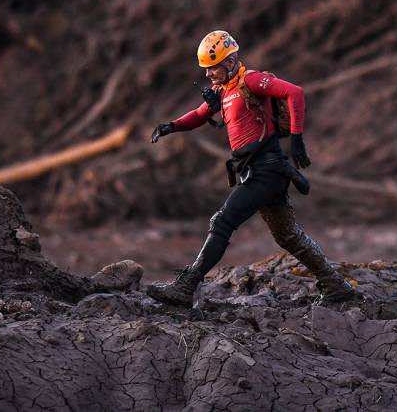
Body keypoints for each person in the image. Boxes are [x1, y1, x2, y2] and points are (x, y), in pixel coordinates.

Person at [147, 30, 358, 307]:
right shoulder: (223, 90)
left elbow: (295, 92)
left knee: (221, 222)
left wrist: (297, 139)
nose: (209, 74)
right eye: (206, 70)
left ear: (231, 61)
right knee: (288, 236)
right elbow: (200, 115)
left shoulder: (251, 80)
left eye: (213, 68)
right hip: (258, 171)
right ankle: (336, 286)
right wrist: (171, 126)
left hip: (266, 171)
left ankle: (185, 287)